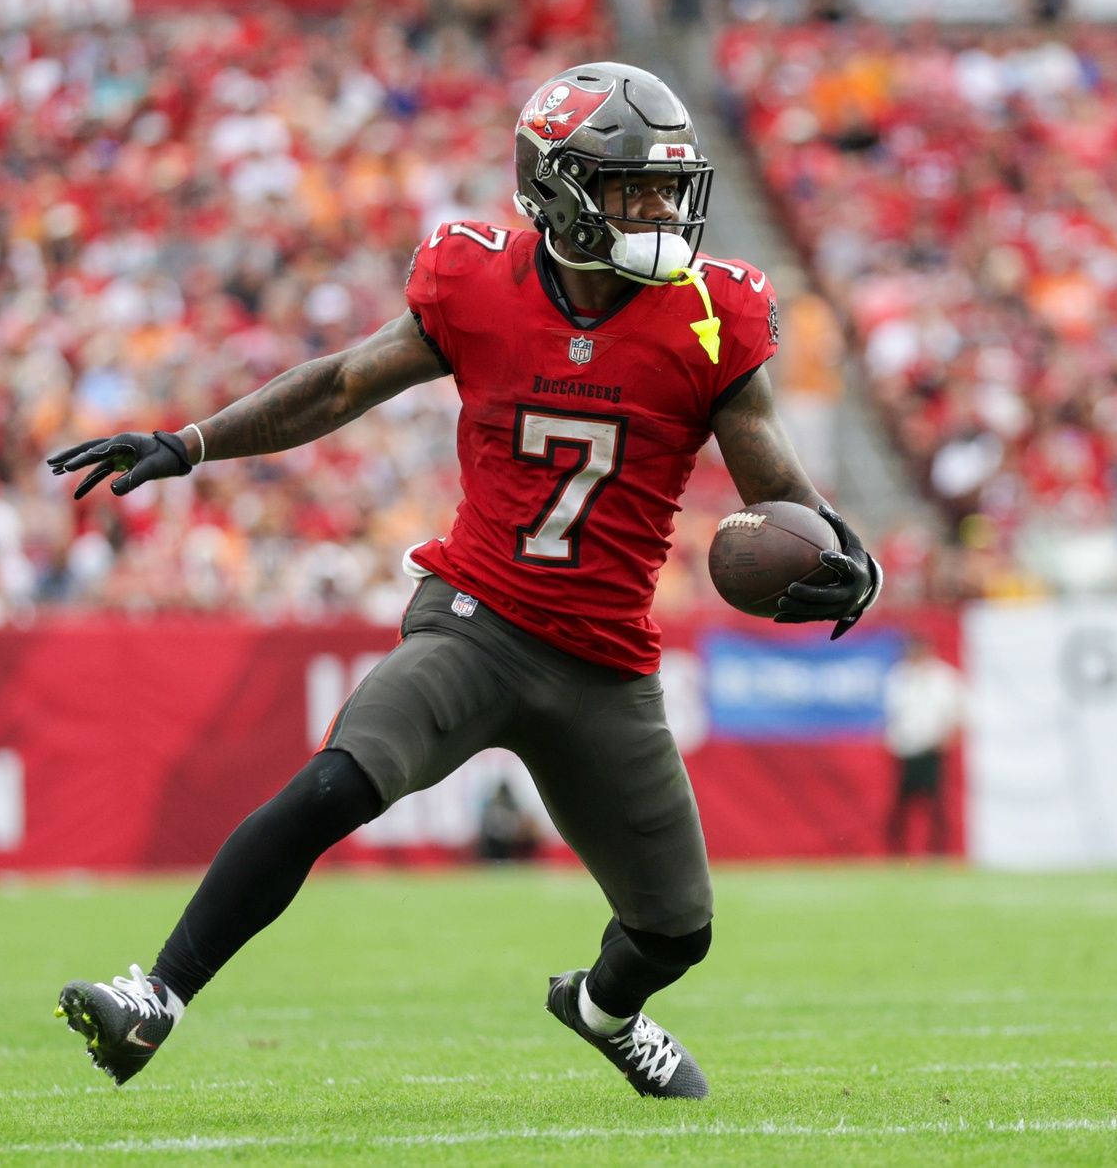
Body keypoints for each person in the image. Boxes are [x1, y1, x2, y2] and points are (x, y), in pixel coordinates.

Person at [47, 62, 880, 1100]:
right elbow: (343, 381)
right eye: (635, 189)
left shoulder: (710, 315)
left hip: (605, 664)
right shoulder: (475, 281)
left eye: (669, 189)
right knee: (336, 781)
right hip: (475, 623)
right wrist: (193, 440)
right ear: (562, 191)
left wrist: (844, 554)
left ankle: (600, 1009)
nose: (662, 211)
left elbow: (779, 489)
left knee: (678, 925)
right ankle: (154, 996)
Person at [882, 634, 964, 857]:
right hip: (905, 752)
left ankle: (939, 854)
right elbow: (891, 715)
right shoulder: (898, 677)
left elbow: (959, 714)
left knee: (937, 807)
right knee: (901, 807)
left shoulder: (943, 677)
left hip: (932, 750)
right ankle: (897, 854)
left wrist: (945, 739)